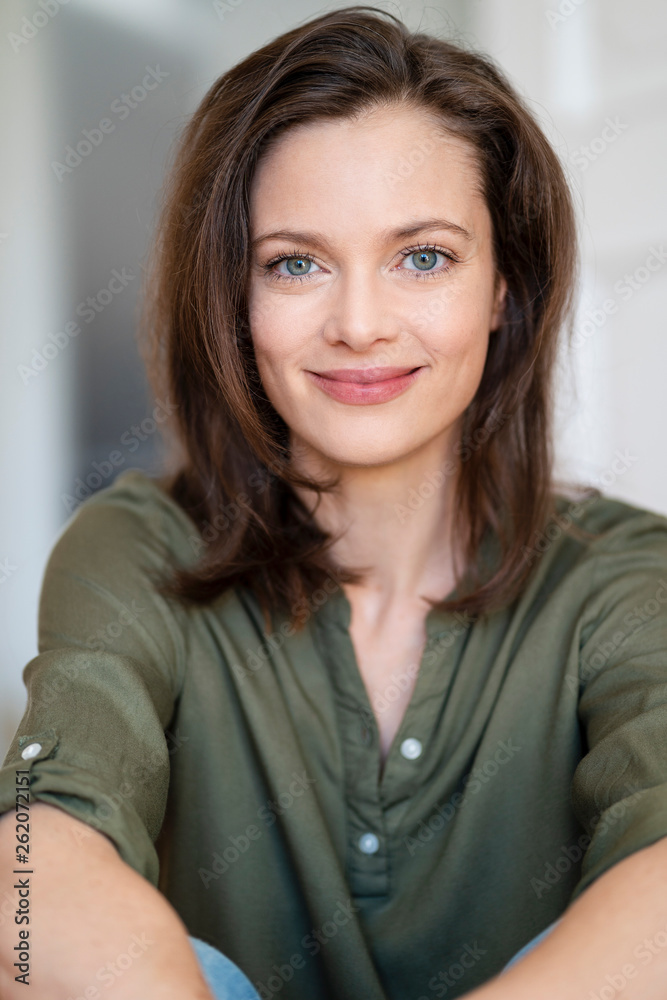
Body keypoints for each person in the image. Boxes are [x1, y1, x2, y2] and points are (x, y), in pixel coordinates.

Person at [1, 6, 667, 999]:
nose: (358, 323)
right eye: (295, 263)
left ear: (502, 286)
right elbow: (27, 865)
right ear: (233, 293)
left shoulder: (623, 574)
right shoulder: (135, 547)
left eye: (424, 256)